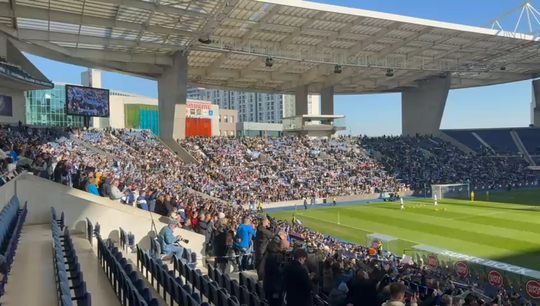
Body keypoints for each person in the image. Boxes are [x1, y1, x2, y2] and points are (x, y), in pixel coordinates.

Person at [262, 230, 289, 306]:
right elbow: (278, 271)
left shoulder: (271, 251)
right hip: (275, 286)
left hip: (268, 283)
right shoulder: (277, 256)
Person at [254, 216, 273, 280]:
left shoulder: (260, 228)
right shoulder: (263, 230)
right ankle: (261, 278)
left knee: (260, 265)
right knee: (261, 265)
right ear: (264, 221)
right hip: (262, 249)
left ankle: (261, 277)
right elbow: (271, 235)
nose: (268, 223)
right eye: (267, 221)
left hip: (259, 248)